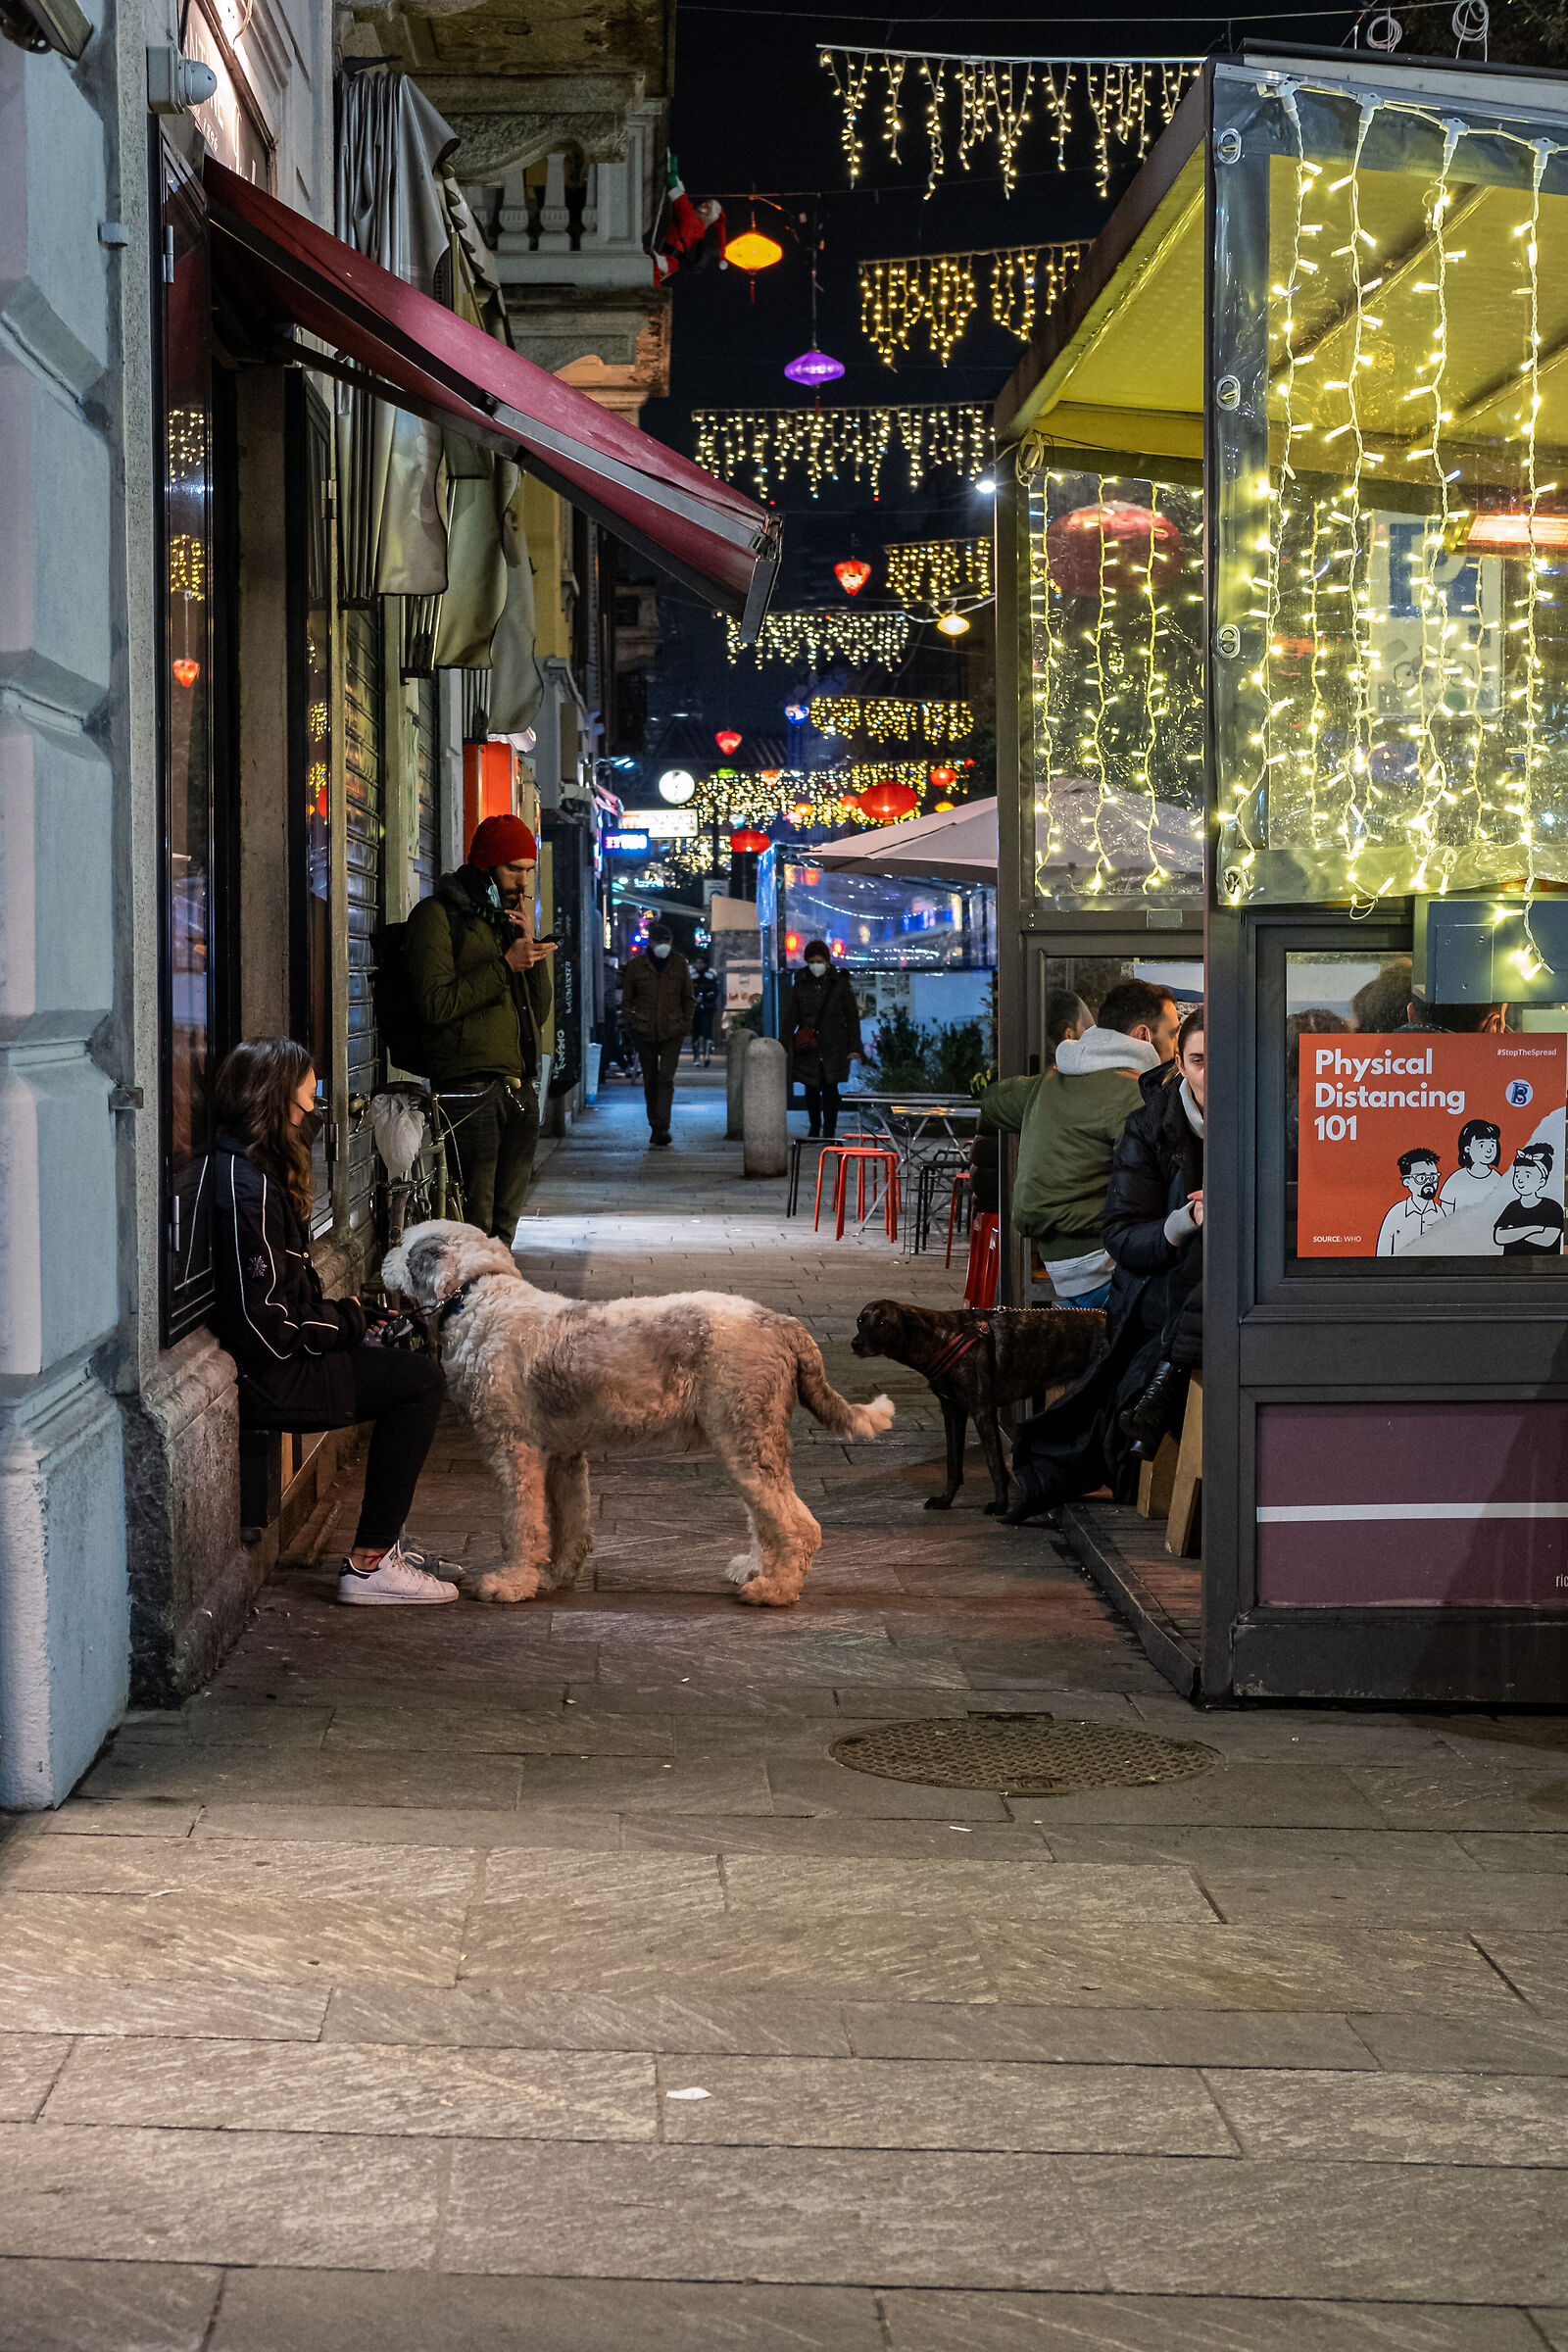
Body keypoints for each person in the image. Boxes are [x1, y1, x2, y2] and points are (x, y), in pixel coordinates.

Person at [210, 1039, 456, 1605]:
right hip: (271, 1375)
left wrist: (359, 1320)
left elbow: (289, 1298)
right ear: (275, 1106)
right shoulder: (247, 1190)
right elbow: (269, 1320)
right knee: (419, 1384)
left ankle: (383, 1544)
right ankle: (370, 1564)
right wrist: (348, 1324)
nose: (316, 1114)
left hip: (280, 1359)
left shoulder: (253, 1175)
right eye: (307, 1104)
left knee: (406, 1362)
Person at [1002, 1003, 1203, 1523]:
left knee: (1211, 1280)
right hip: (1135, 1280)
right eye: (1200, 1060)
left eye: (1223, 1060)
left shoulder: (1263, 1124)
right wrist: (1182, 1222)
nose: (1212, 1076)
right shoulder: (1148, 1121)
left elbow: (994, 1099)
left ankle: (1156, 1391)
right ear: (1177, 1061)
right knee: (1199, 1275)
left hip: (1079, 1270)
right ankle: (1152, 1396)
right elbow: (1123, 1236)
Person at [980, 977, 1180, 1312]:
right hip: (1105, 1266)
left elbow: (993, 1101)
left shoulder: (1050, 1082)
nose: (1176, 1048)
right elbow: (1159, 1188)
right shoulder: (1138, 1095)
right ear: (1143, 1035)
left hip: (1057, 1263)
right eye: (1173, 1034)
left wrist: (1040, 1094)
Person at [406, 812, 554, 1242]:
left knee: (505, 1225)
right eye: (513, 870)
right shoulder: (436, 917)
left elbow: (538, 1012)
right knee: (476, 1222)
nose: (522, 882)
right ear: (486, 867)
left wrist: (527, 949)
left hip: (517, 1086)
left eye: (528, 870)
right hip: (468, 1089)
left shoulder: (503, 924)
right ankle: (470, 1301)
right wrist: (505, 965)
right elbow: (435, 1003)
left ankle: (499, 1296)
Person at [621, 920, 693, 1146]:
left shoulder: (679, 965)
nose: (663, 945)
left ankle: (663, 1126)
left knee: (665, 1079)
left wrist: (684, 1024)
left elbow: (688, 999)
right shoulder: (636, 966)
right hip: (644, 1031)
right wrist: (632, 1023)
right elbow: (627, 1000)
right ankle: (654, 1124)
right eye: (659, 941)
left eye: (667, 942)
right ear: (650, 943)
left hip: (672, 1030)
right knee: (650, 1080)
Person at [786, 939, 864, 1139]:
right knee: (810, 1088)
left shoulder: (840, 984)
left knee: (830, 1088)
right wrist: (784, 1043)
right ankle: (814, 1126)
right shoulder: (801, 983)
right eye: (811, 961)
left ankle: (829, 1129)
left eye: (819, 961)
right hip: (808, 1045)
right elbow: (791, 1015)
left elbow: (852, 1016)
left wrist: (855, 1046)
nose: (815, 965)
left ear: (827, 961)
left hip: (834, 1044)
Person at [1494, 1144, 1564, 1255]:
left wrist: (1513, 1232)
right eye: (1517, 1175)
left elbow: (1547, 1240)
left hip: (1546, 1268)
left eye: (1527, 1175)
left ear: (1542, 1181)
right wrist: (1535, 1228)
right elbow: (1499, 1237)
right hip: (1509, 1268)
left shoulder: (1553, 1207)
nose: (1520, 1180)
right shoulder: (1513, 1207)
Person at [690, 955, 720, 1065]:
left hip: (708, 1006)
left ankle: (707, 1054)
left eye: (701, 963)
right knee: (695, 1031)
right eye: (697, 962)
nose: (699, 965)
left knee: (708, 1030)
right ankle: (696, 1055)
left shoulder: (711, 974)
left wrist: (704, 996)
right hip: (695, 1007)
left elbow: (715, 990)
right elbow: (688, 990)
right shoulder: (691, 975)